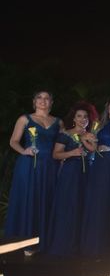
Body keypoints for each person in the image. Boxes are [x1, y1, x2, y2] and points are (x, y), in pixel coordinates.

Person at [4, 90, 60, 250]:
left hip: (50, 166)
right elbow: (13, 141)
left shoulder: (58, 122)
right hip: (29, 164)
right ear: (34, 101)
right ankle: (24, 241)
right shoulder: (24, 119)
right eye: (39, 98)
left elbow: (62, 143)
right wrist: (24, 151)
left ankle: (45, 241)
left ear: (51, 102)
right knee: (29, 199)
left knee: (47, 199)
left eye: (46, 98)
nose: (43, 101)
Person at [47, 102, 98, 255]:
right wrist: (72, 153)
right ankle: (64, 244)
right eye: (79, 116)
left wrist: (85, 139)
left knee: (84, 206)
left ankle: (81, 245)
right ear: (74, 119)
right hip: (70, 172)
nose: (83, 119)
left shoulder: (90, 135)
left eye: (85, 117)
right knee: (68, 205)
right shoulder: (65, 134)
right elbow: (56, 155)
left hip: (88, 173)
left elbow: (93, 150)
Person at [80, 96, 110, 256]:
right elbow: (92, 147)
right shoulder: (98, 125)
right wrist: (88, 142)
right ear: (108, 108)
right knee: (100, 200)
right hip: (102, 165)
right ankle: (97, 243)